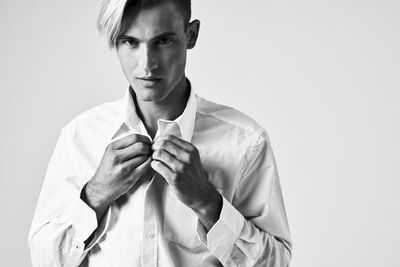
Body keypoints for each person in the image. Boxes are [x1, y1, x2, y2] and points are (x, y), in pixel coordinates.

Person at [28, 0, 292, 266]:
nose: (146, 65)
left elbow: (276, 262)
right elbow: (43, 260)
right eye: (130, 42)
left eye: (163, 41)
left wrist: (207, 203)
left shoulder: (246, 141)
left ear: (191, 35)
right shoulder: (81, 136)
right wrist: (95, 194)